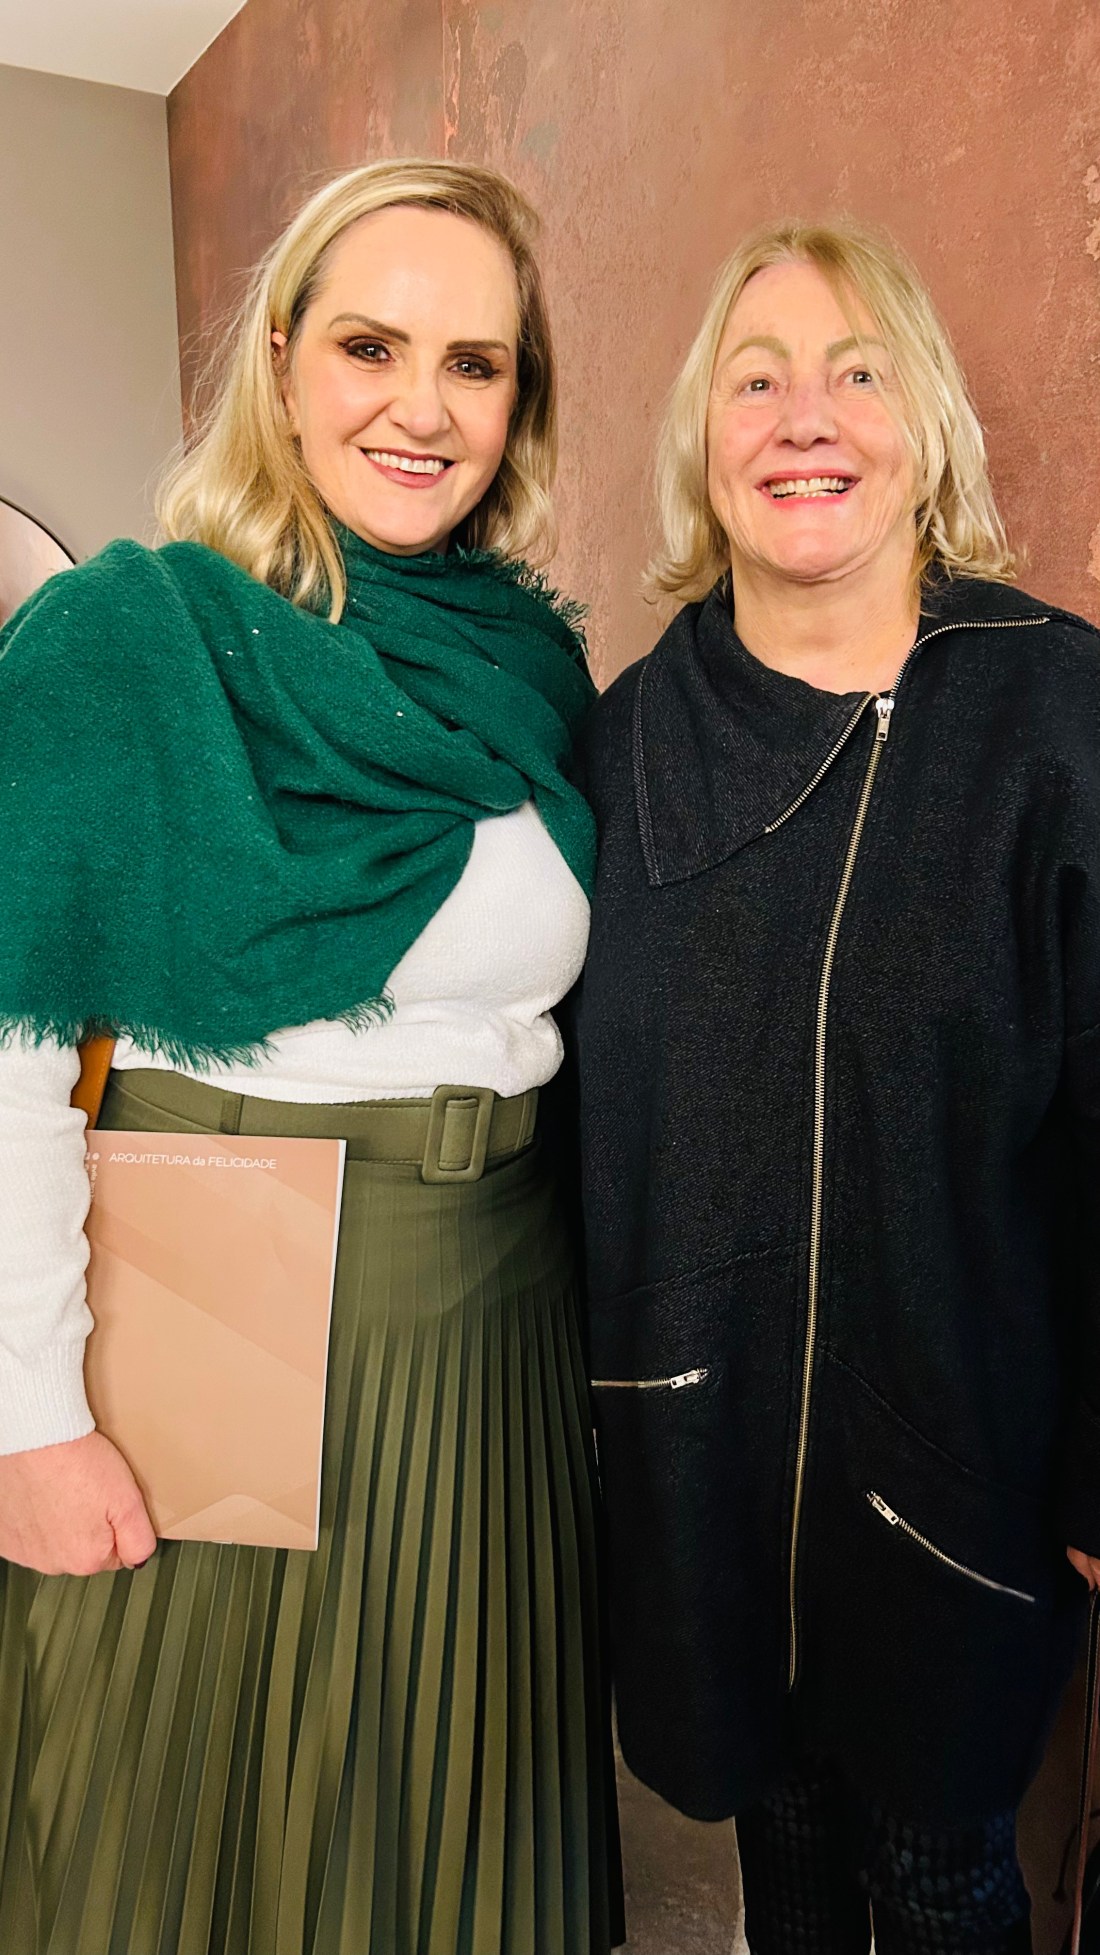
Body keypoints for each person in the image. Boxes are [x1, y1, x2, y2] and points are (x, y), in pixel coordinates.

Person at [0, 158, 621, 1955]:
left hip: (494, 1294)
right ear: (279, 360)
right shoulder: (125, 635)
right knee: (174, 1826)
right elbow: (10, 1052)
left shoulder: (532, 667)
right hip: (212, 1272)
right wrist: (30, 1420)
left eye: (475, 363)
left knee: (450, 1806)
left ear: (520, 401)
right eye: (369, 346)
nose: (422, 407)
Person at [571, 216, 1100, 1955]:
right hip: (698, 1473)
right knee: (780, 1861)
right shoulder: (623, 737)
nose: (807, 417)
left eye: (856, 373)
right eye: (758, 380)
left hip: (959, 1477)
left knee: (946, 1885)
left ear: (925, 423)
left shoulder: (1058, 713)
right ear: (703, 444)